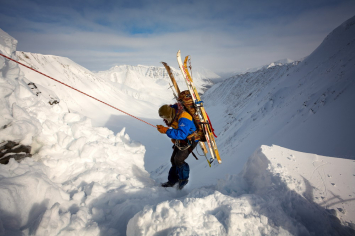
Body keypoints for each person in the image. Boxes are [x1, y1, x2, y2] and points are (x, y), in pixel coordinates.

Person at [156, 103, 199, 190]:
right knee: (173, 160)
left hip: (191, 139)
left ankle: (183, 181)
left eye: (165, 117)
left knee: (179, 160)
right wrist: (169, 133)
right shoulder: (175, 114)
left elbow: (182, 134)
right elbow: (179, 130)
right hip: (184, 139)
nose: (165, 119)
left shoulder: (184, 117)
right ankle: (172, 181)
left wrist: (166, 131)